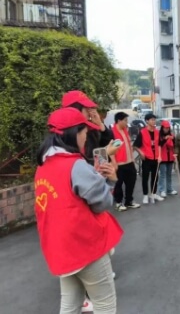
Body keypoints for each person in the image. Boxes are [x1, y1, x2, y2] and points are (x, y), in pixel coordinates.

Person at [34, 107, 123, 314]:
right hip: (84, 245)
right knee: (105, 304)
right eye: (85, 132)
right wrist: (111, 180)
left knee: (70, 304)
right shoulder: (74, 165)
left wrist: (95, 176)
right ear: (75, 133)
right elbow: (101, 203)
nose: (86, 138)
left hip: (59, 247)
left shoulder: (43, 166)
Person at [61, 91, 115, 164]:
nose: (90, 112)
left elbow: (109, 144)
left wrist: (100, 124)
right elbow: (80, 167)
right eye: (86, 109)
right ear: (76, 110)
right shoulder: (62, 136)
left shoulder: (91, 132)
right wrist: (105, 153)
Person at [112, 112, 141, 211]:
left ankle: (129, 201)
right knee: (118, 184)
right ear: (119, 121)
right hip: (119, 163)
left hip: (129, 162)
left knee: (131, 182)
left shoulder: (125, 130)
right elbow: (111, 150)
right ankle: (119, 203)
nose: (126, 122)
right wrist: (114, 163)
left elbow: (129, 145)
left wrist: (132, 159)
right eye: (125, 120)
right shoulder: (112, 132)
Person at [133, 113, 164, 204]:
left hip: (156, 158)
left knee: (155, 177)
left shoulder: (157, 132)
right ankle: (145, 195)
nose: (154, 121)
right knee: (145, 177)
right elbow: (135, 146)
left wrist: (159, 156)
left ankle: (153, 194)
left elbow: (159, 145)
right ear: (147, 121)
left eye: (154, 119)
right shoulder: (142, 132)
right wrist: (141, 152)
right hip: (147, 158)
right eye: (152, 120)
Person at [157, 120, 178, 197]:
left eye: (168, 128)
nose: (166, 129)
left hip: (170, 157)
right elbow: (159, 145)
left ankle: (169, 189)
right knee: (163, 174)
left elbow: (175, 145)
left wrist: (172, 139)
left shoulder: (172, 135)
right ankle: (161, 190)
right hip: (162, 157)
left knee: (169, 174)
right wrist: (165, 139)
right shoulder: (159, 136)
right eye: (165, 128)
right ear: (162, 128)